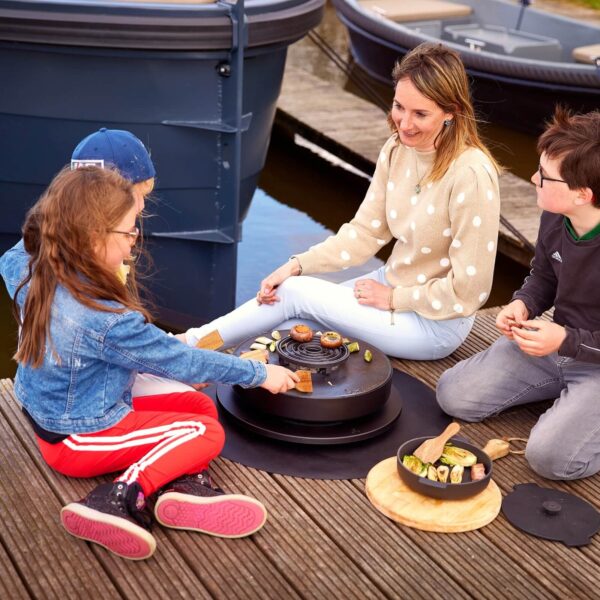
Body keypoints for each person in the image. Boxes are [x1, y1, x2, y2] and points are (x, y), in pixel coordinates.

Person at [0, 167, 298, 560]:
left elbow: (20, 246)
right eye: (127, 232)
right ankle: (118, 498)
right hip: (77, 438)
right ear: (93, 239)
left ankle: (179, 487)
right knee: (207, 434)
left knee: (199, 406)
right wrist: (259, 373)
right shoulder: (104, 318)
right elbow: (182, 361)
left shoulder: (30, 263)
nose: (133, 242)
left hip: (63, 410)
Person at [184, 43, 501, 360]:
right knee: (290, 316)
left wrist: (394, 298)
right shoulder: (397, 149)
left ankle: (188, 346)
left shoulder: (471, 174)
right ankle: (202, 355)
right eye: (399, 106)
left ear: (451, 113)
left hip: (434, 323)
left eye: (420, 114)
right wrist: (297, 265)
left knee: (294, 293)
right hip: (388, 286)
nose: (404, 123)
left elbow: (468, 291)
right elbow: (364, 233)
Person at [437, 108, 600, 480]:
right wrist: (522, 303)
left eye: (544, 176)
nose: (533, 178)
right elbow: (544, 273)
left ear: (582, 194)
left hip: (591, 359)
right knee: (453, 395)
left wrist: (567, 340)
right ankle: (569, 401)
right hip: (557, 348)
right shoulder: (557, 215)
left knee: (550, 459)